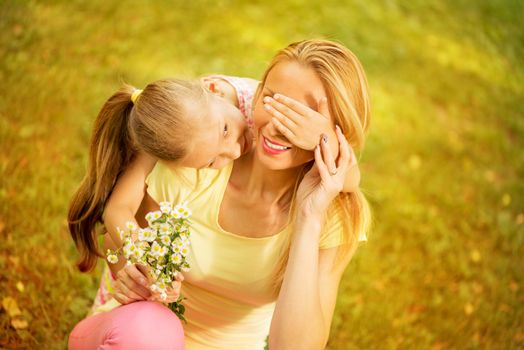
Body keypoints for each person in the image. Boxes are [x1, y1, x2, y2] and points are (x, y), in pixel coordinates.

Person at [68, 39, 369, 349]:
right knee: (150, 330)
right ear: (255, 97)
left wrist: (309, 218)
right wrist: (135, 275)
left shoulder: (334, 212)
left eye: (302, 116)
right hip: (138, 335)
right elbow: (119, 229)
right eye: (273, 100)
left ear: (337, 133)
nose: (279, 126)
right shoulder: (198, 159)